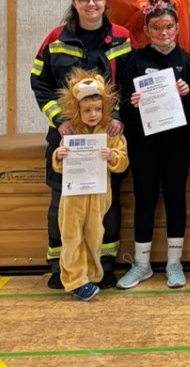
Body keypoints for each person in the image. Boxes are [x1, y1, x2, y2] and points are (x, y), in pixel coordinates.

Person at [30, 0, 132, 290]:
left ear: (106, 2)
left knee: (107, 203)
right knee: (61, 202)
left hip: (107, 136)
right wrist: (59, 119)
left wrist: (117, 116)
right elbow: (39, 82)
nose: (91, 4)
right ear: (74, 3)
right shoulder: (55, 38)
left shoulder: (122, 38)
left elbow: (128, 84)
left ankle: (103, 264)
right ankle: (60, 266)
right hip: (65, 136)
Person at [115, 0, 190, 289]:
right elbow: (121, 102)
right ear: (147, 30)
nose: (163, 33)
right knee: (145, 199)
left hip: (177, 143)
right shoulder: (134, 61)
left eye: (168, 27)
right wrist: (132, 102)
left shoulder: (188, 62)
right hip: (144, 144)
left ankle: (174, 263)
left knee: (176, 197)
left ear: (177, 29)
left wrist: (188, 93)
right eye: (156, 28)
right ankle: (142, 264)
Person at [50, 70, 129, 301]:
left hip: (98, 195)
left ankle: (92, 276)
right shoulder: (71, 131)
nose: (93, 114)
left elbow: (123, 162)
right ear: (77, 110)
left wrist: (112, 156)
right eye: (87, 110)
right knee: (71, 236)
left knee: (95, 236)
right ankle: (75, 281)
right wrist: (59, 155)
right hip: (73, 196)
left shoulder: (112, 132)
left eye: (97, 109)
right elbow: (59, 165)